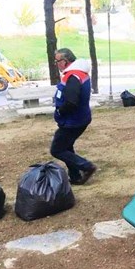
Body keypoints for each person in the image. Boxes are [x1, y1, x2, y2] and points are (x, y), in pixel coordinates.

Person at [50, 49, 97, 185]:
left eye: (57, 61)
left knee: (57, 149)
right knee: (67, 146)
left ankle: (86, 166)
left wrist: (60, 112)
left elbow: (71, 101)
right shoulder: (79, 73)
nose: (56, 64)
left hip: (73, 121)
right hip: (78, 119)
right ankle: (75, 176)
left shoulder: (73, 77)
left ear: (65, 61)